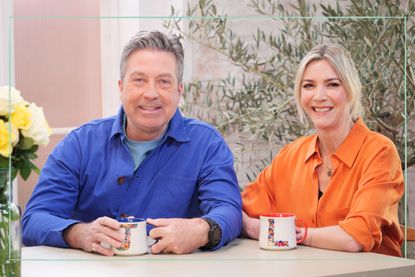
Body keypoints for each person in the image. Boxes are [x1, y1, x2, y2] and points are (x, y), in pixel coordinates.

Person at [22, 30, 242, 256]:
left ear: (179, 91)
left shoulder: (206, 144)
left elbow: (228, 210)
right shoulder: (80, 143)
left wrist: (201, 230)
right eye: (139, 80)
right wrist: (79, 233)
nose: (151, 93)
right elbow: (35, 219)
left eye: (164, 82)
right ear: (121, 87)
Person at [241, 44, 404, 257]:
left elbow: (355, 237)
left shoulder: (380, 152)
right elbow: (239, 207)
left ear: (351, 90)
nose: (319, 96)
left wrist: (292, 234)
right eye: (308, 86)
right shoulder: (290, 155)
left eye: (332, 84)